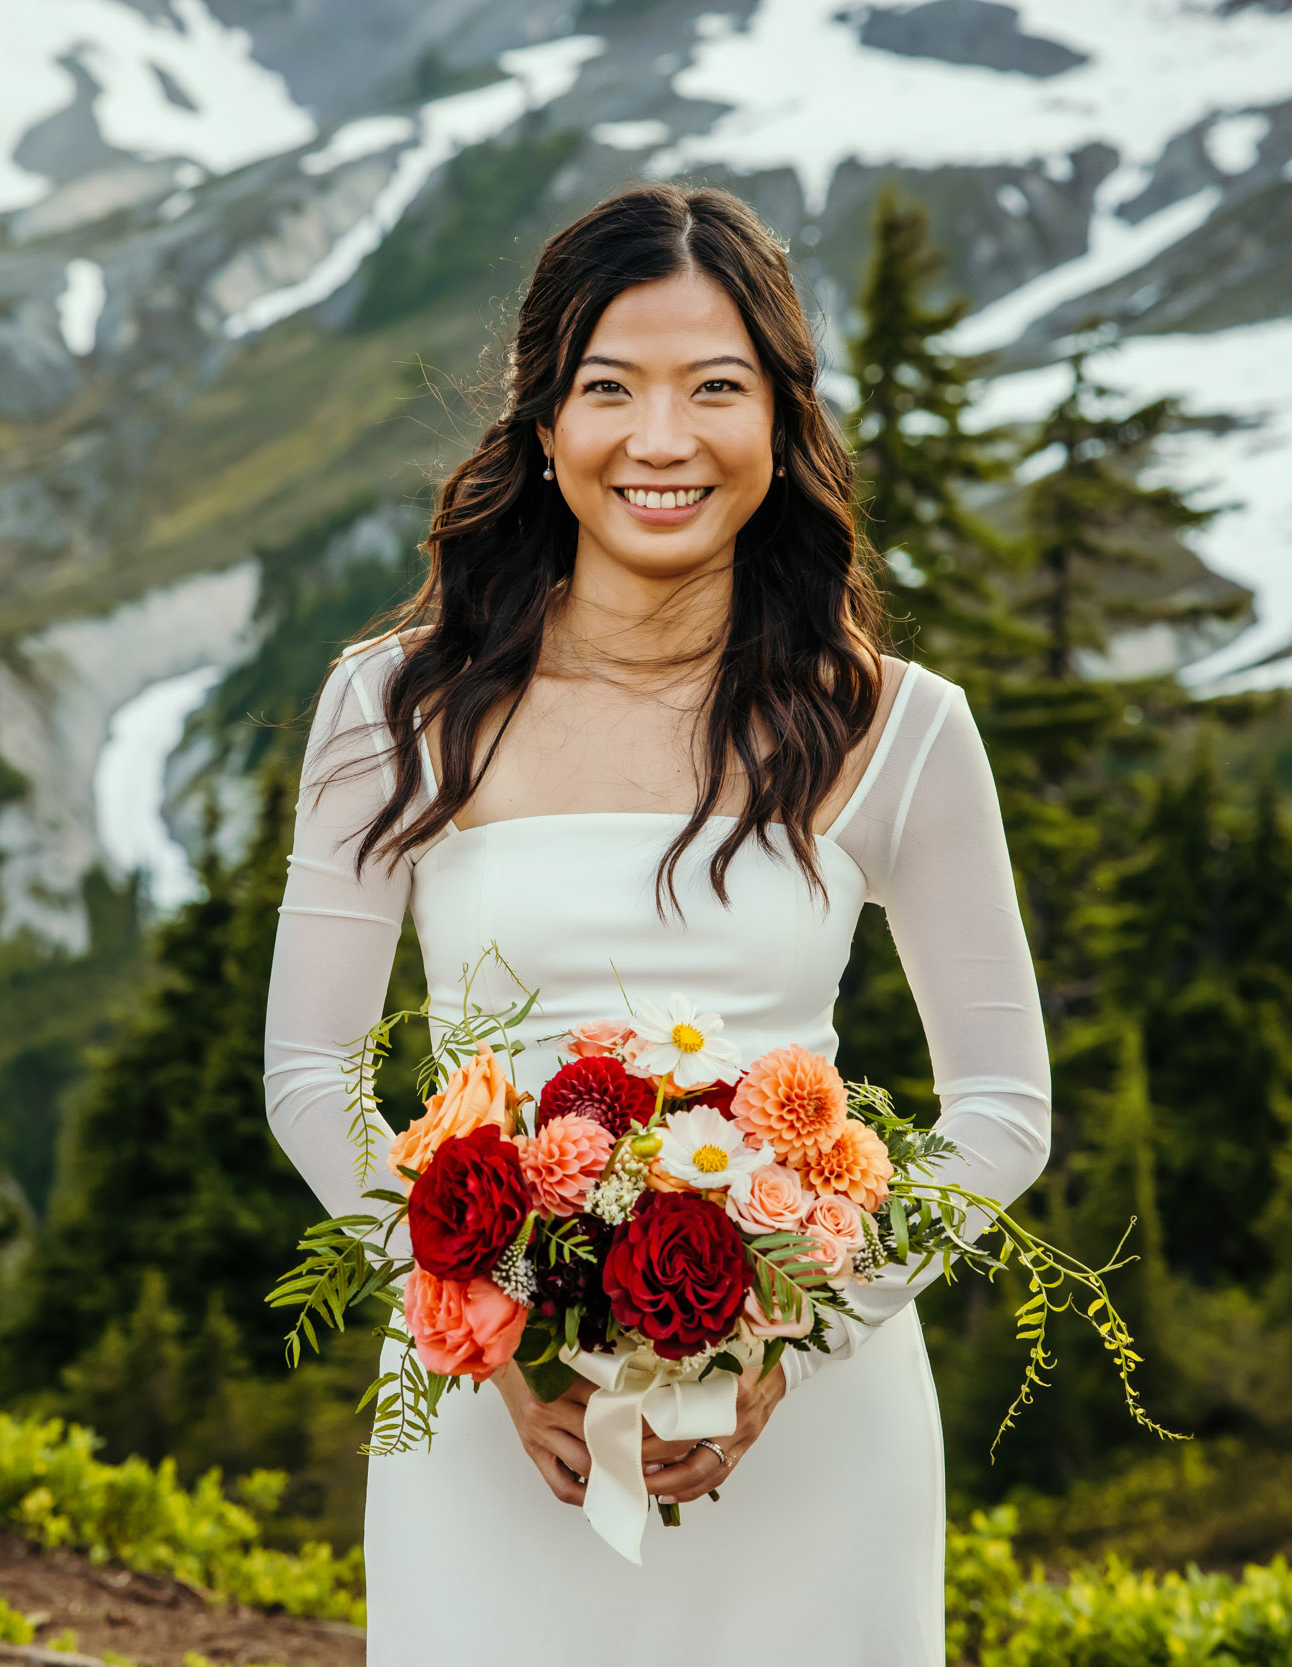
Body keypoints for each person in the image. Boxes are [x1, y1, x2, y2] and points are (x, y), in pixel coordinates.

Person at [261, 183, 1050, 1664]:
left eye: (716, 388)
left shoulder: (901, 730)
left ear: (781, 420)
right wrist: (484, 1335)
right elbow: (311, 1074)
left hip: (820, 1430)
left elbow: (1005, 1109)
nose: (663, 438)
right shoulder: (395, 708)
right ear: (543, 424)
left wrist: (798, 1336)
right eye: (610, 388)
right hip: (488, 1423)